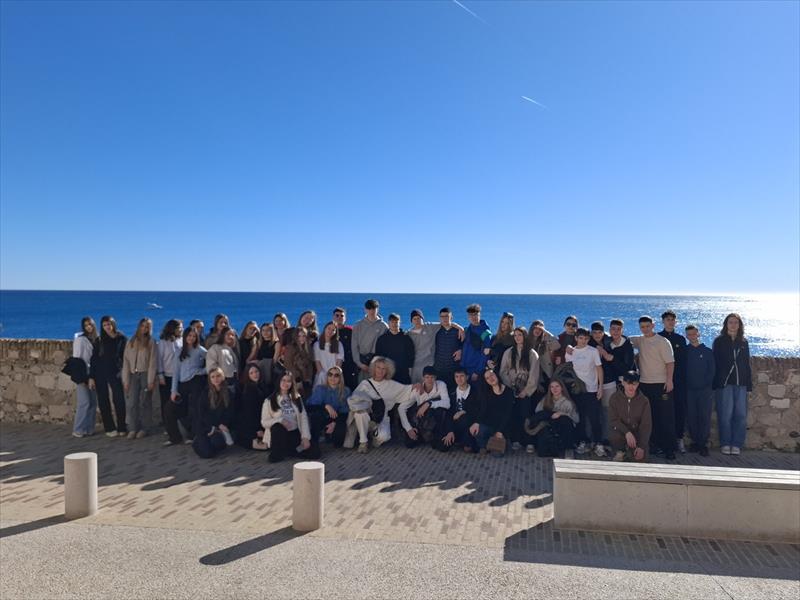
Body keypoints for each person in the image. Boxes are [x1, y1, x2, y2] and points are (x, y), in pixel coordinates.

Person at [630, 315, 676, 460]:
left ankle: (669, 449)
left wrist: (669, 380)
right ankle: (655, 446)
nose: (645, 329)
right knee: (650, 417)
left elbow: (670, 362)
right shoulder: (639, 340)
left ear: (653, 325)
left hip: (661, 383)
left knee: (666, 417)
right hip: (645, 384)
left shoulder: (662, 341)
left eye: (647, 326)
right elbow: (620, 339)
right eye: (642, 327)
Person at [347, 357, 415, 452]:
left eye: (384, 368)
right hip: (366, 415)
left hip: (381, 417)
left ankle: (374, 436)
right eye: (378, 367)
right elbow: (354, 400)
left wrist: (417, 386)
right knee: (359, 413)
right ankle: (363, 442)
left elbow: (407, 390)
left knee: (384, 436)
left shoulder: (391, 384)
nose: (380, 371)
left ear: (387, 371)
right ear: (373, 368)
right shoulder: (365, 384)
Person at [712, 313, 752, 456]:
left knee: (741, 415)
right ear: (726, 324)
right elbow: (715, 363)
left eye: (736, 322)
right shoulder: (719, 341)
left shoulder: (743, 342)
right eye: (730, 322)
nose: (733, 324)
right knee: (725, 415)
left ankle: (736, 444)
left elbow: (746, 364)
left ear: (739, 325)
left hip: (741, 383)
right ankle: (725, 443)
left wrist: (749, 385)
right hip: (725, 384)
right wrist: (716, 382)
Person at [261, 372, 319, 463]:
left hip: (294, 434)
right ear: (279, 381)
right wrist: (280, 420)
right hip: (280, 435)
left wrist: (305, 437)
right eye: (283, 380)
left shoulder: (297, 398)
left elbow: (303, 418)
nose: (286, 383)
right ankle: (282, 452)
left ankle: (290, 451)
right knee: (277, 427)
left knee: (315, 452)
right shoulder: (269, 400)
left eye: (289, 381)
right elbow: (264, 422)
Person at [499, 326, 540, 453]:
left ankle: (529, 442)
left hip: (526, 392)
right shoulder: (509, 352)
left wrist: (526, 391)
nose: (517, 337)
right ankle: (516, 440)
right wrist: (510, 386)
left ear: (525, 336)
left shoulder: (532, 354)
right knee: (514, 415)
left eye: (520, 335)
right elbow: (503, 371)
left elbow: (534, 375)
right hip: (511, 390)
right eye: (515, 335)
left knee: (526, 416)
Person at [566, 328, 605, 456]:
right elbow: (568, 371)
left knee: (594, 418)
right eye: (581, 338)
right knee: (580, 418)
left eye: (586, 338)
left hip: (592, 390)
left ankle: (598, 443)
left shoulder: (593, 351)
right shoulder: (570, 352)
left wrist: (600, 387)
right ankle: (582, 442)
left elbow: (599, 369)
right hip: (577, 390)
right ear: (576, 338)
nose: (583, 341)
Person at [165, 327, 207, 445]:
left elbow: (211, 361)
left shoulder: (200, 350)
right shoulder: (179, 351)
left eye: (194, 336)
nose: (191, 338)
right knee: (170, 408)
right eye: (189, 336)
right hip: (183, 383)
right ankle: (174, 437)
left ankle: (193, 435)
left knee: (195, 408)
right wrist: (173, 390)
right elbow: (176, 372)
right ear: (185, 336)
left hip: (196, 382)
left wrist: (201, 371)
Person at [88, 315, 128, 437]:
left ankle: (122, 426)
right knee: (103, 400)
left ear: (113, 324)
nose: (107, 327)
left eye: (109, 324)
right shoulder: (99, 340)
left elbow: (125, 356)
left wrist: (124, 371)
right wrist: (91, 377)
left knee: (119, 399)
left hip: (115, 372)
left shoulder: (121, 338)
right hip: (100, 372)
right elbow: (94, 359)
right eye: (104, 325)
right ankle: (109, 428)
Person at [122, 317, 158, 439]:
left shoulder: (151, 342)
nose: (144, 328)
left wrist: (151, 380)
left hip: (145, 374)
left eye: (147, 327)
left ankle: (145, 428)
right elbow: (126, 361)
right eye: (142, 326)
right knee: (132, 403)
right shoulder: (131, 341)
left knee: (145, 402)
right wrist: (126, 380)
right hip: (133, 375)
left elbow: (153, 362)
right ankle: (132, 428)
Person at [401, 366, 451, 450]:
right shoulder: (417, 390)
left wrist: (429, 404)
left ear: (435, 378)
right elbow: (401, 408)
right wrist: (409, 428)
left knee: (443, 447)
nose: (429, 380)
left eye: (432, 377)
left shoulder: (441, 385)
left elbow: (447, 404)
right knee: (409, 443)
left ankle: (434, 437)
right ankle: (424, 437)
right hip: (421, 421)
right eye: (427, 377)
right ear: (423, 378)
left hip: (435, 422)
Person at [659, 310, 688, 453]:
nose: (670, 322)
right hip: (660, 380)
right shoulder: (658, 337)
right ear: (663, 322)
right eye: (667, 319)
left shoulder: (680, 339)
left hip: (678, 382)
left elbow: (683, 362)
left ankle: (679, 439)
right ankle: (663, 441)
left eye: (672, 320)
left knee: (679, 410)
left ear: (675, 322)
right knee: (663, 411)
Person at [684, 325, 715, 456]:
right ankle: (695, 442)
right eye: (689, 334)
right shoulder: (685, 351)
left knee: (704, 417)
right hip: (689, 390)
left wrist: (706, 384)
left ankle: (703, 444)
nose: (692, 336)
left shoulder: (707, 351)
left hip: (705, 390)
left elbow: (712, 370)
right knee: (691, 417)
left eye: (694, 334)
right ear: (686, 336)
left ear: (698, 334)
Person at [608, 371, 652, 462]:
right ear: (623, 383)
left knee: (640, 460)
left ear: (638, 384)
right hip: (620, 434)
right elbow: (613, 420)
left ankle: (633, 452)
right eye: (628, 383)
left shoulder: (644, 401)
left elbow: (646, 425)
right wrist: (627, 432)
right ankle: (620, 451)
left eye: (634, 384)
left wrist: (641, 446)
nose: (631, 387)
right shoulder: (614, 398)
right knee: (618, 461)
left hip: (637, 436)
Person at [468, 368, 513, 456]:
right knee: (478, 430)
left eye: (492, 375)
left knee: (497, 455)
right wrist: (477, 422)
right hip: (489, 426)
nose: (491, 378)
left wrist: (500, 431)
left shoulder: (508, 392)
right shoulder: (486, 392)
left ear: (496, 375)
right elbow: (483, 410)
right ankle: (484, 446)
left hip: (503, 427)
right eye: (487, 378)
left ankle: (498, 443)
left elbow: (508, 414)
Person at [193, 367, 235, 459]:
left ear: (222, 377)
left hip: (222, 427)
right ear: (210, 379)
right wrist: (217, 424)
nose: (216, 379)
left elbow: (230, 412)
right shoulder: (205, 393)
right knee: (207, 453)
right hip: (207, 426)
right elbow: (203, 413)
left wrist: (223, 424)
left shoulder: (229, 392)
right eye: (213, 377)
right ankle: (198, 441)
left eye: (218, 376)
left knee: (218, 443)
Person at [530, 379, 579, 457]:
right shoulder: (546, 399)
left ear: (562, 388)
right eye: (552, 387)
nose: (554, 389)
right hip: (548, 425)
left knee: (563, 419)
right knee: (544, 415)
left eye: (557, 386)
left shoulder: (567, 402)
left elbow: (576, 419)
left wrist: (561, 413)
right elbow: (538, 412)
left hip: (562, 428)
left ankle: (566, 447)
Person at [306, 366, 350, 449]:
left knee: (338, 441)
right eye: (330, 374)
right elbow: (309, 407)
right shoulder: (320, 389)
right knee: (317, 415)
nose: (332, 377)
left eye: (336, 375)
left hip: (336, 417)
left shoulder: (345, 391)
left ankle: (329, 436)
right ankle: (314, 443)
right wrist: (326, 406)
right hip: (321, 416)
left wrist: (334, 422)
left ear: (340, 378)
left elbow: (345, 412)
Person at [588, 321, 616, 444]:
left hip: (609, 381)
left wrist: (604, 353)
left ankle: (606, 438)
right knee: (592, 411)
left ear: (604, 332)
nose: (597, 335)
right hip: (592, 382)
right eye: (594, 332)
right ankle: (591, 439)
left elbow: (616, 357)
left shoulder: (609, 342)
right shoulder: (588, 343)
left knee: (607, 411)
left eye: (600, 332)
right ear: (591, 333)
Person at [72, 317, 98, 438]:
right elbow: (76, 359)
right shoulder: (80, 340)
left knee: (93, 402)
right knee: (84, 402)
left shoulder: (96, 339)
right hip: (83, 373)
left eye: (90, 324)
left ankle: (89, 428)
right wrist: (80, 378)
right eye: (86, 325)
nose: (89, 327)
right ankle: (78, 429)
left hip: (94, 373)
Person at [351, 299, 388, 382]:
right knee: (362, 387)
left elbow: (386, 347)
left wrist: (380, 365)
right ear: (365, 309)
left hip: (377, 365)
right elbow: (354, 346)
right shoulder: (358, 325)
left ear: (377, 309)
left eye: (374, 308)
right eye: (369, 308)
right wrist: (359, 363)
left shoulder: (384, 326)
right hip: (362, 364)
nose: (371, 311)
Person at [445, 367, 481, 452]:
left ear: (467, 377)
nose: (459, 379)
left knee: (464, 418)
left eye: (462, 376)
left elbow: (478, 409)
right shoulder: (451, 392)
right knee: (443, 446)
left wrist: (462, 412)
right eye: (456, 376)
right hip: (454, 422)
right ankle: (456, 438)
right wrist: (450, 431)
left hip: (468, 422)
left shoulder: (475, 391)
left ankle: (466, 441)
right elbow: (448, 412)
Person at [156, 319, 183, 430]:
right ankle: (168, 426)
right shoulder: (163, 342)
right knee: (166, 402)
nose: (181, 329)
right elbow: (159, 359)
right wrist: (160, 375)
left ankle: (179, 424)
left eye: (181, 327)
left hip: (180, 376)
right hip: (167, 376)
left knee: (179, 401)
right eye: (179, 327)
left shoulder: (182, 340)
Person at [236, 362, 269, 450]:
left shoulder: (263, 386)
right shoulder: (248, 390)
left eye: (256, 371)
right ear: (248, 375)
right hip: (251, 424)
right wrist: (257, 429)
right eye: (251, 373)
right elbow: (250, 413)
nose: (255, 374)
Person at [375, 314, 415, 384]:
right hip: (387, 373)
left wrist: (410, 371)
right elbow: (379, 357)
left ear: (400, 323)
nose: (394, 324)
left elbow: (411, 355)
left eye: (396, 322)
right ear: (388, 323)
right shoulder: (382, 339)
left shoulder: (406, 338)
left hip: (403, 373)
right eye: (392, 322)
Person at [433, 307, 463, 391]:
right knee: (440, 393)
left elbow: (465, 345)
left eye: (447, 316)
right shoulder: (436, 331)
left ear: (451, 317)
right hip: (438, 369)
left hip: (453, 369)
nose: (444, 319)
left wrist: (461, 350)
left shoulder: (458, 331)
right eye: (442, 317)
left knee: (453, 393)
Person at [461, 304, 492, 382]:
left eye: (475, 315)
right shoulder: (468, 329)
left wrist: (477, 372)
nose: (473, 317)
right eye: (471, 315)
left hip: (476, 371)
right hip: (464, 369)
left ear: (479, 315)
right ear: (468, 317)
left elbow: (485, 355)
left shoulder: (485, 332)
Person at [528, 320, 560, 394]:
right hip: (531, 373)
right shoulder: (527, 342)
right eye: (536, 328)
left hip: (544, 373)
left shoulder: (545, 342)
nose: (537, 331)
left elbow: (557, 345)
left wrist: (546, 332)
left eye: (540, 329)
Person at [283, 326, 315, 397]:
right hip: (295, 379)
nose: (302, 338)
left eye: (304, 336)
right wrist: (297, 379)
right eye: (299, 336)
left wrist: (309, 378)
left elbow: (310, 364)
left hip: (306, 379)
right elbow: (288, 365)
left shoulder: (308, 348)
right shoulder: (290, 347)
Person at [333, 307, 359, 391]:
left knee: (350, 388)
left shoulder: (350, 331)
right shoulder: (330, 331)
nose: (339, 317)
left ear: (345, 318)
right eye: (337, 315)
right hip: (334, 364)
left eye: (342, 316)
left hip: (349, 365)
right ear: (333, 317)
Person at [313, 321, 344, 386]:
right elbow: (317, 361)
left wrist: (333, 375)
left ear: (335, 332)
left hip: (334, 377)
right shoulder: (317, 345)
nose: (330, 331)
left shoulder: (339, 344)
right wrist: (323, 375)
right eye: (329, 328)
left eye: (333, 330)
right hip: (321, 376)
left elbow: (339, 361)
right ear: (325, 329)